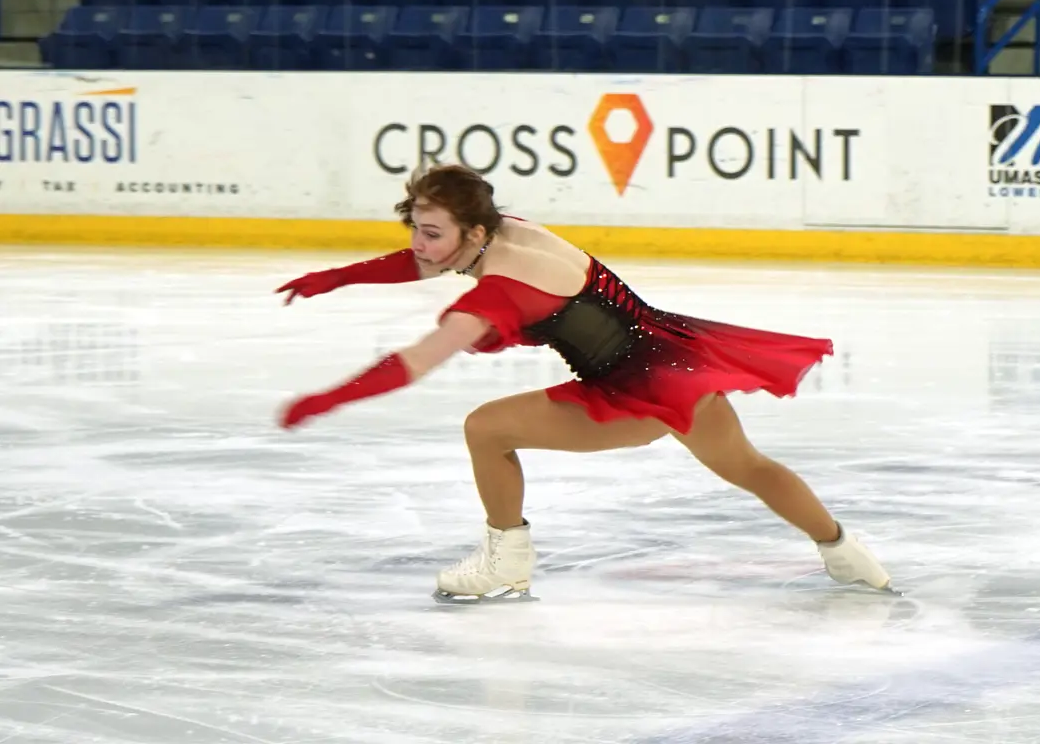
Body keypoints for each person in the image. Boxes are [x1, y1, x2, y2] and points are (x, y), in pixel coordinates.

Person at [276, 164, 895, 603]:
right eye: (414, 226)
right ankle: (846, 552)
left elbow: (420, 358)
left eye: (431, 232)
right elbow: (424, 259)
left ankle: (506, 563)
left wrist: (326, 399)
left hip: (631, 392)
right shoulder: (506, 228)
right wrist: (334, 278)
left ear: (475, 234)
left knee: (485, 428)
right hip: (676, 360)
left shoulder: (500, 287)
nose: (418, 245)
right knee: (749, 467)